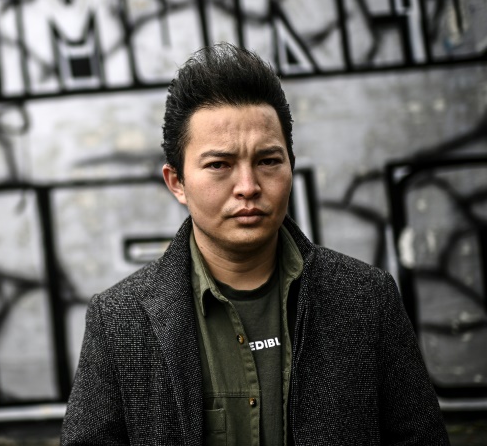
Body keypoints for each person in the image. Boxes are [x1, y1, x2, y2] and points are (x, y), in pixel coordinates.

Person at [60, 43, 449, 445]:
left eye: (268, 161)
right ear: (177, 182)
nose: (248, 186)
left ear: (290, 167)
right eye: (219, 165)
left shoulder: (366, 298)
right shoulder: (120, 320)